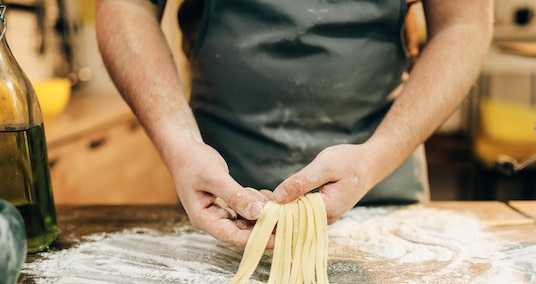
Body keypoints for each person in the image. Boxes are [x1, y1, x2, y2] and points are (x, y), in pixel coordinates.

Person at [95, 0, 493, 248]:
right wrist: (178, 142)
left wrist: (377, 156)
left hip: (381, 181)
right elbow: (127, 6)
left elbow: (464, 23)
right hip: (222, 197)